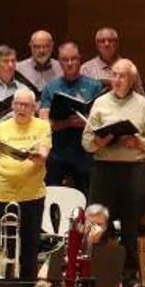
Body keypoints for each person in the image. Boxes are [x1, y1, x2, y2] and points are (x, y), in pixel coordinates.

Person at [82, 59, 145, 287]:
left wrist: (138, 141)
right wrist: (100, 141)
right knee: (99, 227)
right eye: (114, 75)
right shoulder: (100, 103)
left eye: (122, 76)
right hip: (104, 169)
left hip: (132, 170)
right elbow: (86, 142)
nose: (116, 80)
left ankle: (131, 279)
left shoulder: (142, 104)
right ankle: (100, 278)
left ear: (131, 80)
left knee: (129, 227)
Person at [0, 88, 50, 279]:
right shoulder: (1, 128)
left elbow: (43, 155)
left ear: (33, 107)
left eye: (26, 105)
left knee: (30, 245)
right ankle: (4, 284)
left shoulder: (42, 126)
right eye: (18, 104)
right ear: (12, 105)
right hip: (4, 193)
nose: (21, 108)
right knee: (4, 245)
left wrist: (35, 155)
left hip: (33, 194)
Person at [38, 42, 105, 191]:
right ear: (59, 62)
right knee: (53, 197)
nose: (69, 63)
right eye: (65, 59)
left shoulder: (95, 86)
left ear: (80, 59)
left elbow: (102, 122)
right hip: (56, 153)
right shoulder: (50, 87)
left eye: (73, 59)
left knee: (86, 198)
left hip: (85, 153)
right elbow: (43, 124)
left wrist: (86, 122)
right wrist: (66, 123)